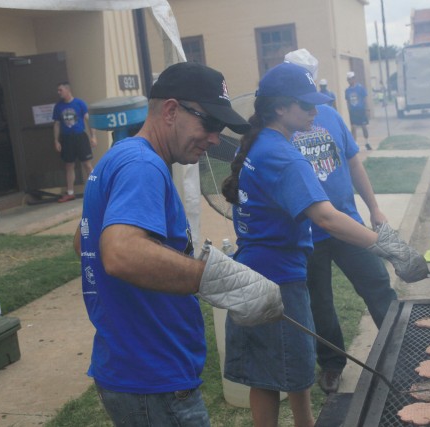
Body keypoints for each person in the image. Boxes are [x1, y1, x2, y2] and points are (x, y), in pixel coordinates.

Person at [73, 62, 284, 427]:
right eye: (210, 124)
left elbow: (83, 240)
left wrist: (177, 257)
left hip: (130, 367)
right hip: (152, 379)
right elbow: (120, 253)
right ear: (171, 110)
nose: (215, 138)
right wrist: (219, 280)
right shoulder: (144, 166)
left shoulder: (121, 156)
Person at [221, 62, 427, 427]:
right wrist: (391, 248)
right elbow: (327, 218)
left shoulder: (262, 144)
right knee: (280, 369)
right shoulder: (284, 157)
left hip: (255, 272)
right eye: (306, 105)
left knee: (279, 369)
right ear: (280, 108)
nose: (315, 112)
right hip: (278, 279)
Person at [286, 49, 396, 394]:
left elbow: (353, 163)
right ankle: (332, 365)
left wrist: (374, 208)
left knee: (378, 284)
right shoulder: (278, 132)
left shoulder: (331, 116)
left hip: (347, 223)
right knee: (320, 303)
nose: (309, 107)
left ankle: (398, 348)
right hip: (306, 234)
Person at [52, 82, 97, 202]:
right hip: (66, 138)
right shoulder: (58, 106)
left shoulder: (79, 103)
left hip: (80, 136)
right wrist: (56, 140)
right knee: (69, 165)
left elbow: (88, 119)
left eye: (60, 90)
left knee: (87, 164)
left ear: (67, 90)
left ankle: (97, 189)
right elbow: (56, 124)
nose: (59, 92)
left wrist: (93, 136)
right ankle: (70, 192)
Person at [345, 71, 371, 150]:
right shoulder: (347, 90)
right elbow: (348, 101)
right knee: (353, 127)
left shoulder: (360, 87)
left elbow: (365, 98)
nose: (350, 81)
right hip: (353, 111)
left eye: (351, 79)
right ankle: (355, 144)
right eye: (348, 79)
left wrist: (367, 109)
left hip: (361, 110)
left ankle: (367, 142)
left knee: (364, 127)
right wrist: (349, 110)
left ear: (354, 79)